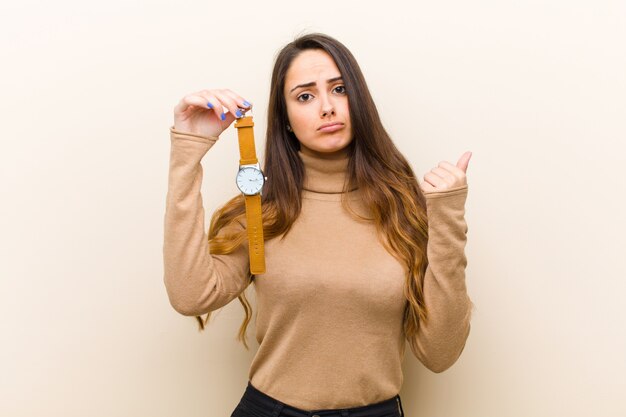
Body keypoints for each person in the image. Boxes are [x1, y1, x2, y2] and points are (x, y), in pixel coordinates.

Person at [163, 32, 474, 417]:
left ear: (359, 101)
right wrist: (187, 153)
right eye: (305, 96)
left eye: (340, 89)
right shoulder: (262, 211)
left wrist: (447, 217)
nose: (327, 107)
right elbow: (191, 296)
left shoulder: (402, 208)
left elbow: (439, 353)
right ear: (287, 119)